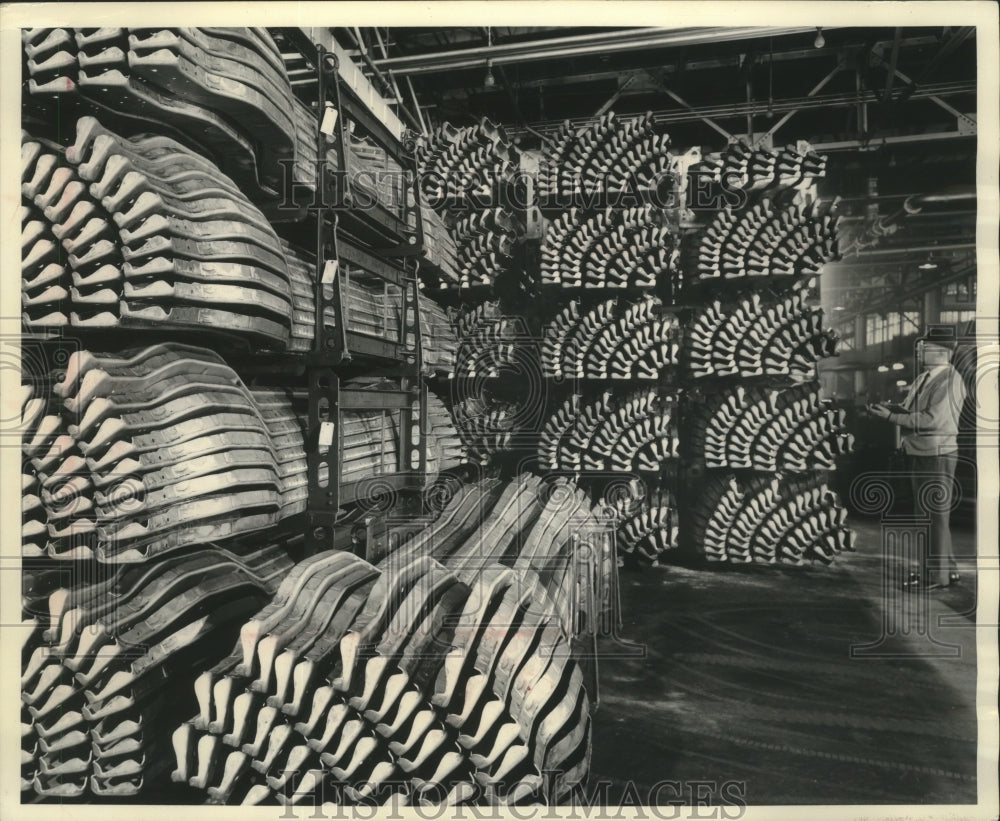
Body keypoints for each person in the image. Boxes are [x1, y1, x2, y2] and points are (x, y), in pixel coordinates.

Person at [868, 326, 966, 591]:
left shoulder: (950, 381)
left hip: (935, 454)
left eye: (926, 348)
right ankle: (949, 570)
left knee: (930, 516)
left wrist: (891, 417)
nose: (920, 351)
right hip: (921, 451)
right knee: (935, 515)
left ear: (943, 352)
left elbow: (933, 420)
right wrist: (892, 410)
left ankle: (934, 577)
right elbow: (913, 409)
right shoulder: (926, 377)